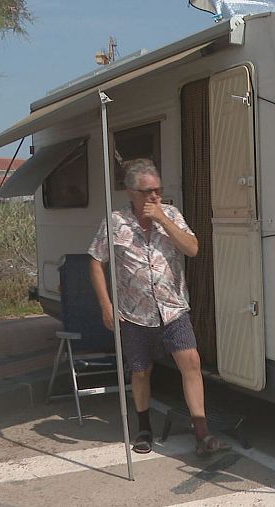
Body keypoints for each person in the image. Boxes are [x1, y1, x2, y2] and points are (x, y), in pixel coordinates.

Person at [88, 158, 229, 456]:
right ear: (131, 192)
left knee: (191, 363)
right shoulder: (115, 222)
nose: (155, 196)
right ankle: (144, 428)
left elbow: (193, 248)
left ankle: (202, 434)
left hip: (173, 309)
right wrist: (106, 305)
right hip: (135, 314)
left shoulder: (172, 214)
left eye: (158, 190)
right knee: (140, 372)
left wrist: (163, 219)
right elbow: (96, 261)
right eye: (148, 191)